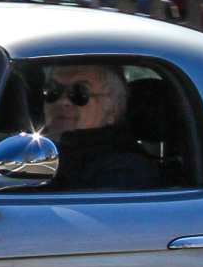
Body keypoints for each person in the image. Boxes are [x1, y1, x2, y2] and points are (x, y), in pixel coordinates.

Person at [37, 62, 159, 190]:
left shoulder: (128, 168)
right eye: (53, 90)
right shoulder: (29, 149)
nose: (62, 101)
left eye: (80, 92)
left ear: (114, 110)